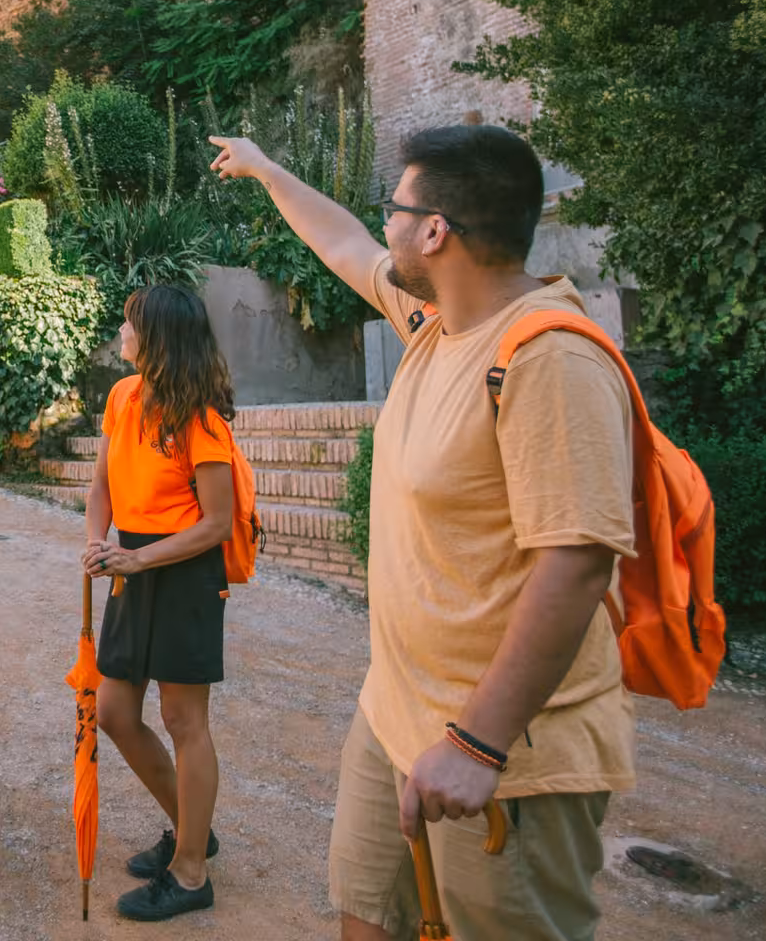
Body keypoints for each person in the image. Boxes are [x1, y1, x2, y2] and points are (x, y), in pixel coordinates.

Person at [211, 126, 634, 941]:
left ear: (436, 231)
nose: (387, 226)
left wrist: (478, 743)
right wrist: (266, 168)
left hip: (507, 755)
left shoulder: (547, 356)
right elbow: (341, 241)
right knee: (365, 921)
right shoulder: (437, 322)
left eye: (397, 210)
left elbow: (578, 562)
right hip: (395, 719)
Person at [82, 284, 240, 922]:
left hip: (182, 572)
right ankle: (192, 826)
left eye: (130, 324)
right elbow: (102, 485)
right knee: (114, 712)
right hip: (131, 564)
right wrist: (97, 540)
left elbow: (218, 523)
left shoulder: (200, 417)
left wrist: (138, 559)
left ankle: (192, 869)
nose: (122, 333)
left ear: (159, 339)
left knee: (183, 722)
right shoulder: (122, 398)